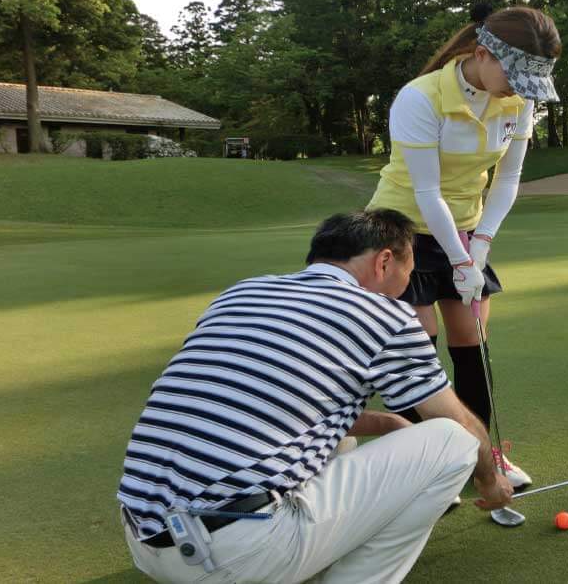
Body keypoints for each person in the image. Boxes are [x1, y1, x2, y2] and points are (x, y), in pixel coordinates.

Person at [116, 210, 514, 583]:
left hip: (146, 541)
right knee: (453, 440)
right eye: (407, 275)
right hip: (236, 554)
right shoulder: (386, 317)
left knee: (342, 439)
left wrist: (390, 422)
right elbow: (457, 423)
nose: (406, 289)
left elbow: (279, 402)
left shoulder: (243, 292)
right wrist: (490, 480)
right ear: (384, 262)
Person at [366, 3, 562, 488]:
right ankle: (426, 470)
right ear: (481, 55)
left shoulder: (518, 100)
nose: (520, 90)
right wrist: (458, 256)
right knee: (418, 356)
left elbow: (507, 179)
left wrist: (479, 248)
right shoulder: (420, 98)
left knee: (472, 347)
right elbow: (426, 191)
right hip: (403, 229)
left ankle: (484, 459)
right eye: (514, 77)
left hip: (467, 229)